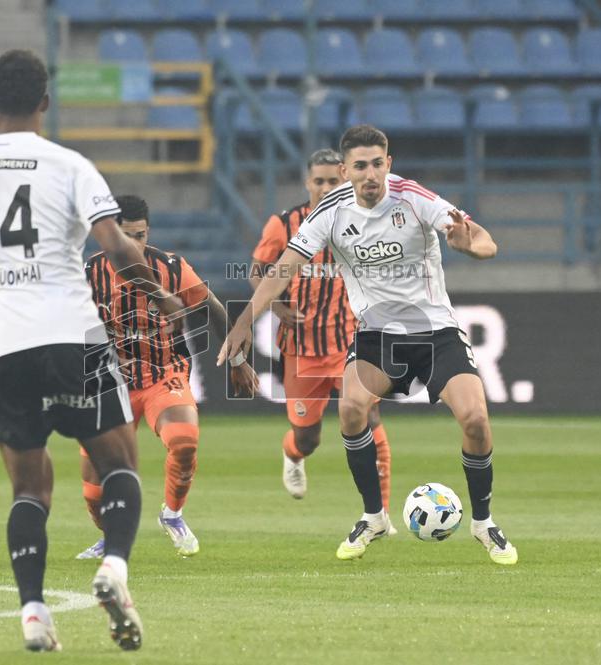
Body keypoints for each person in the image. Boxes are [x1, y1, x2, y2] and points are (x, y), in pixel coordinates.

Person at [0, 50, 177, 652]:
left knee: (30, 489)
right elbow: (117, 249)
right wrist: (157, 295)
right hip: (72, 339)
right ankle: (114, 568)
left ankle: (33, 611)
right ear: (46, 102)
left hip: (1, 350)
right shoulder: (69, 166)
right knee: (120, 467)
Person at [219, 124, 517, 565]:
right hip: (377, 334)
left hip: (436, 331)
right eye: (360, 166)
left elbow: (482, 237)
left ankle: (484, 523)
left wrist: (471, 247)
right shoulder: (331, 213)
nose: (371, 174)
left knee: (475, 418)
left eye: (378, 163)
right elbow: (282, 269)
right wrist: (244, 322)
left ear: (388, 163)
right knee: (352, 408)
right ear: (345, 171)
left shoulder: (414, 197)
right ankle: (373, 517)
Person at [76, 194, 258, 560]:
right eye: (125, 237)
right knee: (94, 494)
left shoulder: (171, 268)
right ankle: (109, 535)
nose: (134, 245)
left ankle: (172, 514)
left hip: (164, 374)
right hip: (111, 383)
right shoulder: (88, 274)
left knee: (184, 439)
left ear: (149, 232)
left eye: (140, 236)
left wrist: (237, 359)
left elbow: (213, 309)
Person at [249, 149, 393, 518]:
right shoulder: (283, 224)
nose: (327, 187)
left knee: (369, 419)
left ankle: (381, 513)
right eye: (320, 181)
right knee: (307, 437)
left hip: (350, 345)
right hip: (301, 349)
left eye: (334, 181)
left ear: (345, 179)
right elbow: (258, 272)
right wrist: (278, 307)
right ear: (307, 182)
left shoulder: (365, 220)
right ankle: (293, 454)